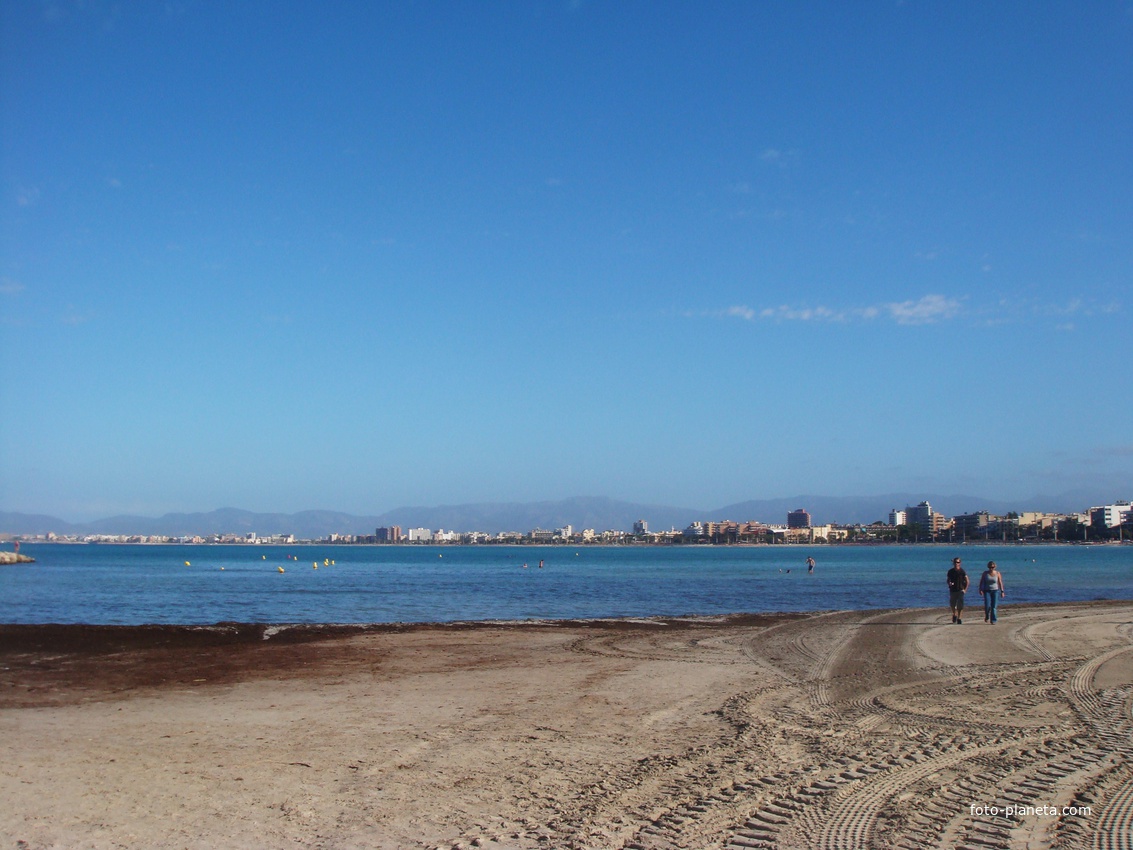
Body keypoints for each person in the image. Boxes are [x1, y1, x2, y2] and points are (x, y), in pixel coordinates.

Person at [946, 557, 969, 624]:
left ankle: (959, 618)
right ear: (953, 563)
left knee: (960, 605)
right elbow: (948, 580)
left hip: (960, 589)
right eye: (955, 562)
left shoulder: (962, 571)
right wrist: (949, 583)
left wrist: (965, 590)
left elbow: (967, 581)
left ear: (960, 563)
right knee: (952, 604)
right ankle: (954, 614)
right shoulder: (950, 571)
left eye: (958, 562)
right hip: (953, 590)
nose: (956, 563)